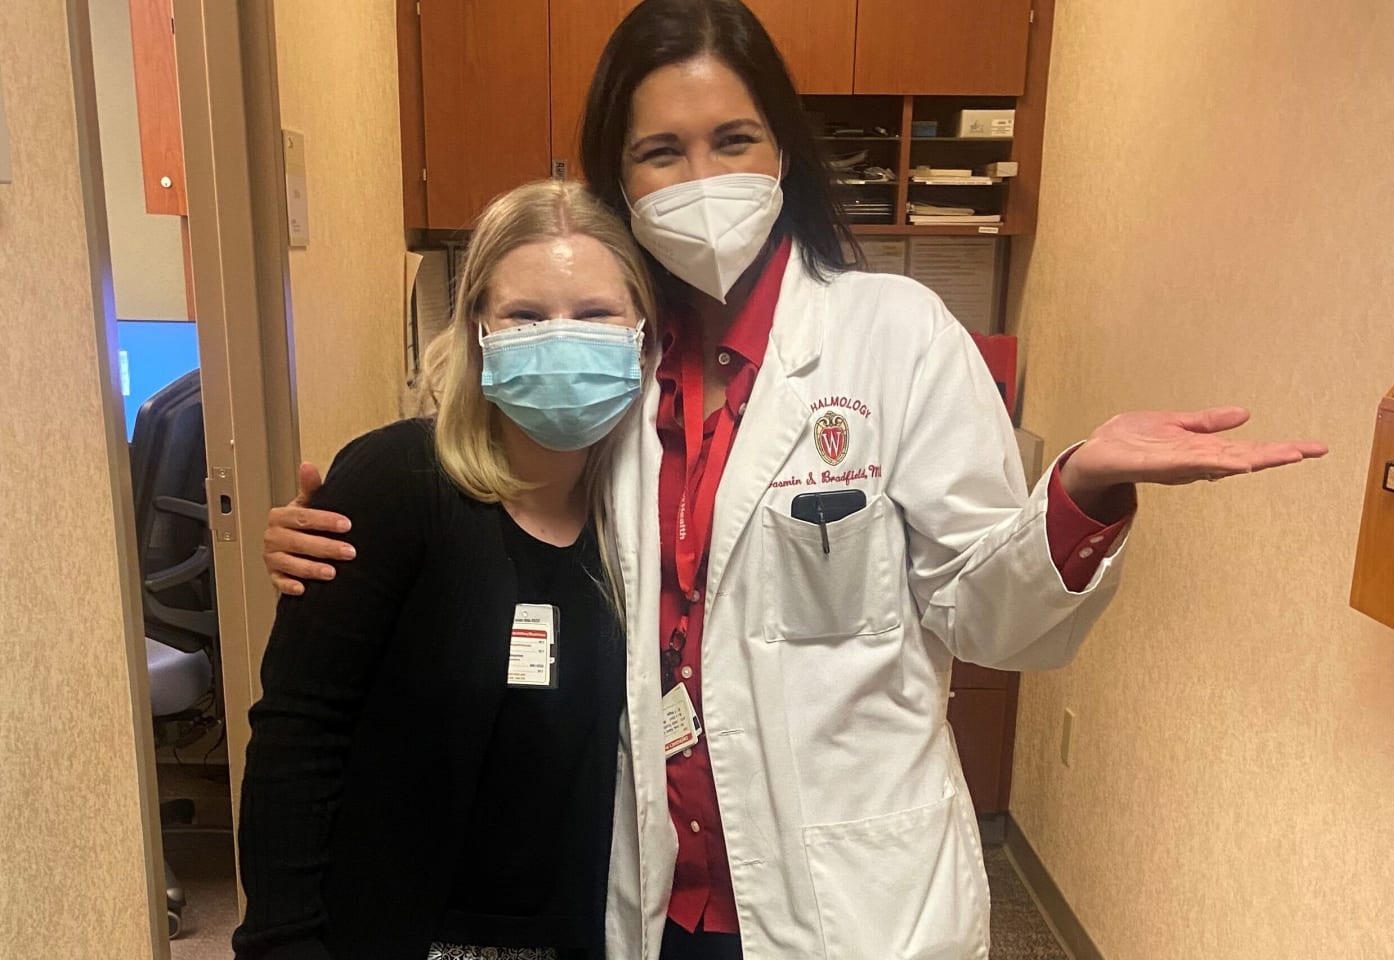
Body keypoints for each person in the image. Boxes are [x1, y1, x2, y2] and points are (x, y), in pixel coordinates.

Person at [261, 2, 1328, 958]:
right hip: (650, 902)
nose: (701, 180)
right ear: (616, 182)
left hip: (852, 906)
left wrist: (1080, 493)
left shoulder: (894, 337)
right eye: (659, 153)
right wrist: (340, 527)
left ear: (785, 153)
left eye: (733, 141)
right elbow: (491, 486)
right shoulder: (614, 374)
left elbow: (994, 617)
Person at [232, 180, 655, 960]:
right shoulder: (394, 484)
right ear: (478, 330)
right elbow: (299, 735)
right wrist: (280, 942)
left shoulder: (649, 523)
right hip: (398, 932)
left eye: (596, 314)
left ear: (641, 332)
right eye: (526, 315)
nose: (562, 336)